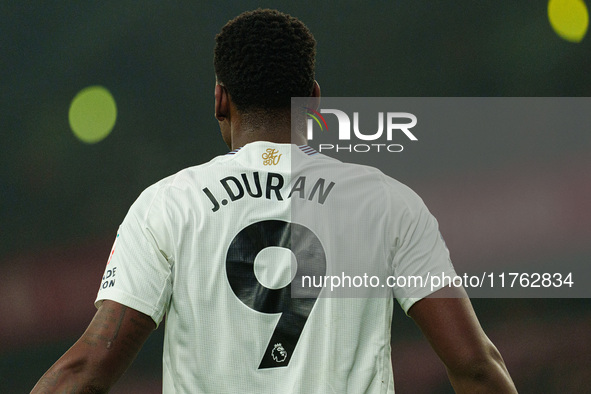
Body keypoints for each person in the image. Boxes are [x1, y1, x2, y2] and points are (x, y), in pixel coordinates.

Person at [32, 9, 517, 393]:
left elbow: (89, 369)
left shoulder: (167, 206)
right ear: (314, 101)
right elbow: (475, 365)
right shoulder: (388, 203)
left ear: (221, 100)